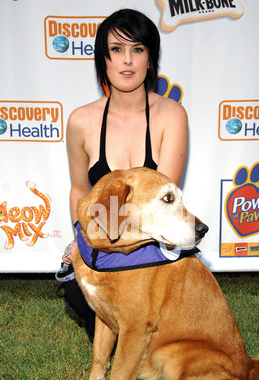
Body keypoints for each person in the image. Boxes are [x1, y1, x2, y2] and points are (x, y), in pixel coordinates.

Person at [61, 9, 188, 338]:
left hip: (153, 240)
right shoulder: (80, 121)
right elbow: (79, 190)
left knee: (149, 299)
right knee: (76, 293)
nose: (127, 61)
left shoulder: (172, 115)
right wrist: (82, 237)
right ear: (103, 60)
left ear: (150, 58)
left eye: (138, 49)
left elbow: (163, 202)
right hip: (104, 235)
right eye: (116, 49)